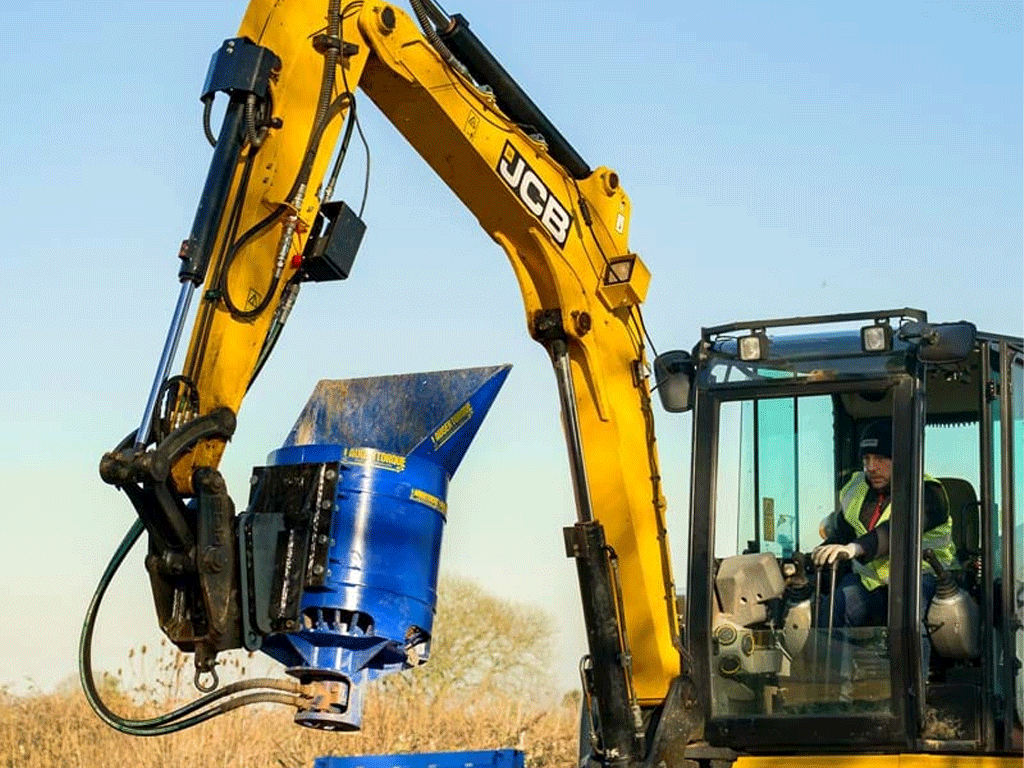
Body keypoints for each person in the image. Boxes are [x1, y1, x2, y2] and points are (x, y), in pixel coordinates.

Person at [812, 419, 957, 629]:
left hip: (921, 578)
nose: (871, 467)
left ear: (901, 459)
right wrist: (817, 555)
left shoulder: (929, 493)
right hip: (869, 582)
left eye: (880, 458)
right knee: (835, 607)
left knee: (911, 620)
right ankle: (829, 662)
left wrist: (855, 548)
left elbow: (897, 531)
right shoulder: (855, 490)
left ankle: (915, 663)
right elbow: (843, 535)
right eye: (866, 458)